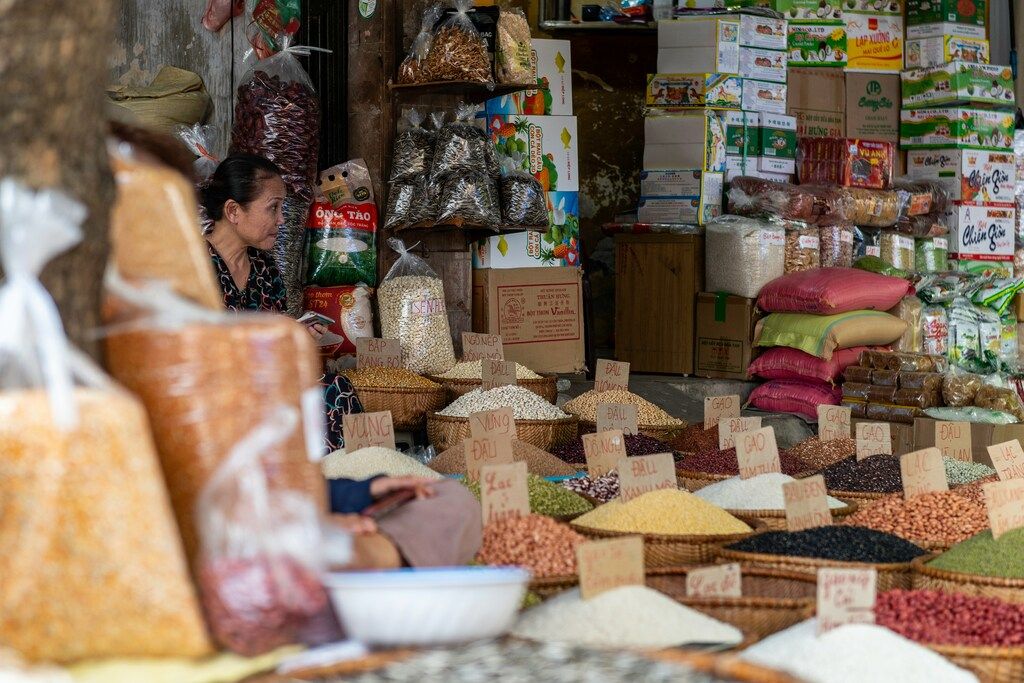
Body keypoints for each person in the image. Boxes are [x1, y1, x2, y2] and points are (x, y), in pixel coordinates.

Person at [200, 154, 481, 568]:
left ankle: (339, 485)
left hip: (269, 387)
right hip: (224, 400)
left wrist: (298, 336)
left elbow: (276, 331)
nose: (282, 219)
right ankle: (327, 506)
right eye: (273, 208)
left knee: (336, 392)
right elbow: (204, 353)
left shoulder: (262, 267)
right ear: (233, 211)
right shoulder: (196, 269)